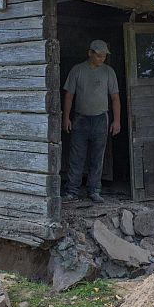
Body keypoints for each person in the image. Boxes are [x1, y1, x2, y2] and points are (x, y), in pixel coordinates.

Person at [62, 39, 121, 203]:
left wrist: (117, 121)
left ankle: (94, 190)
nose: (102, 58)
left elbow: (115, 98)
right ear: (90, 53)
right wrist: (66, 117)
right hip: (80, 118)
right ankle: (72, 191)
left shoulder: (109, 72)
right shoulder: (77, 70)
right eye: (99, 55)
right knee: (76, 156)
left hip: (101, 118)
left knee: (98, 156)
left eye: (104, 56)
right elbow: (69, 95)